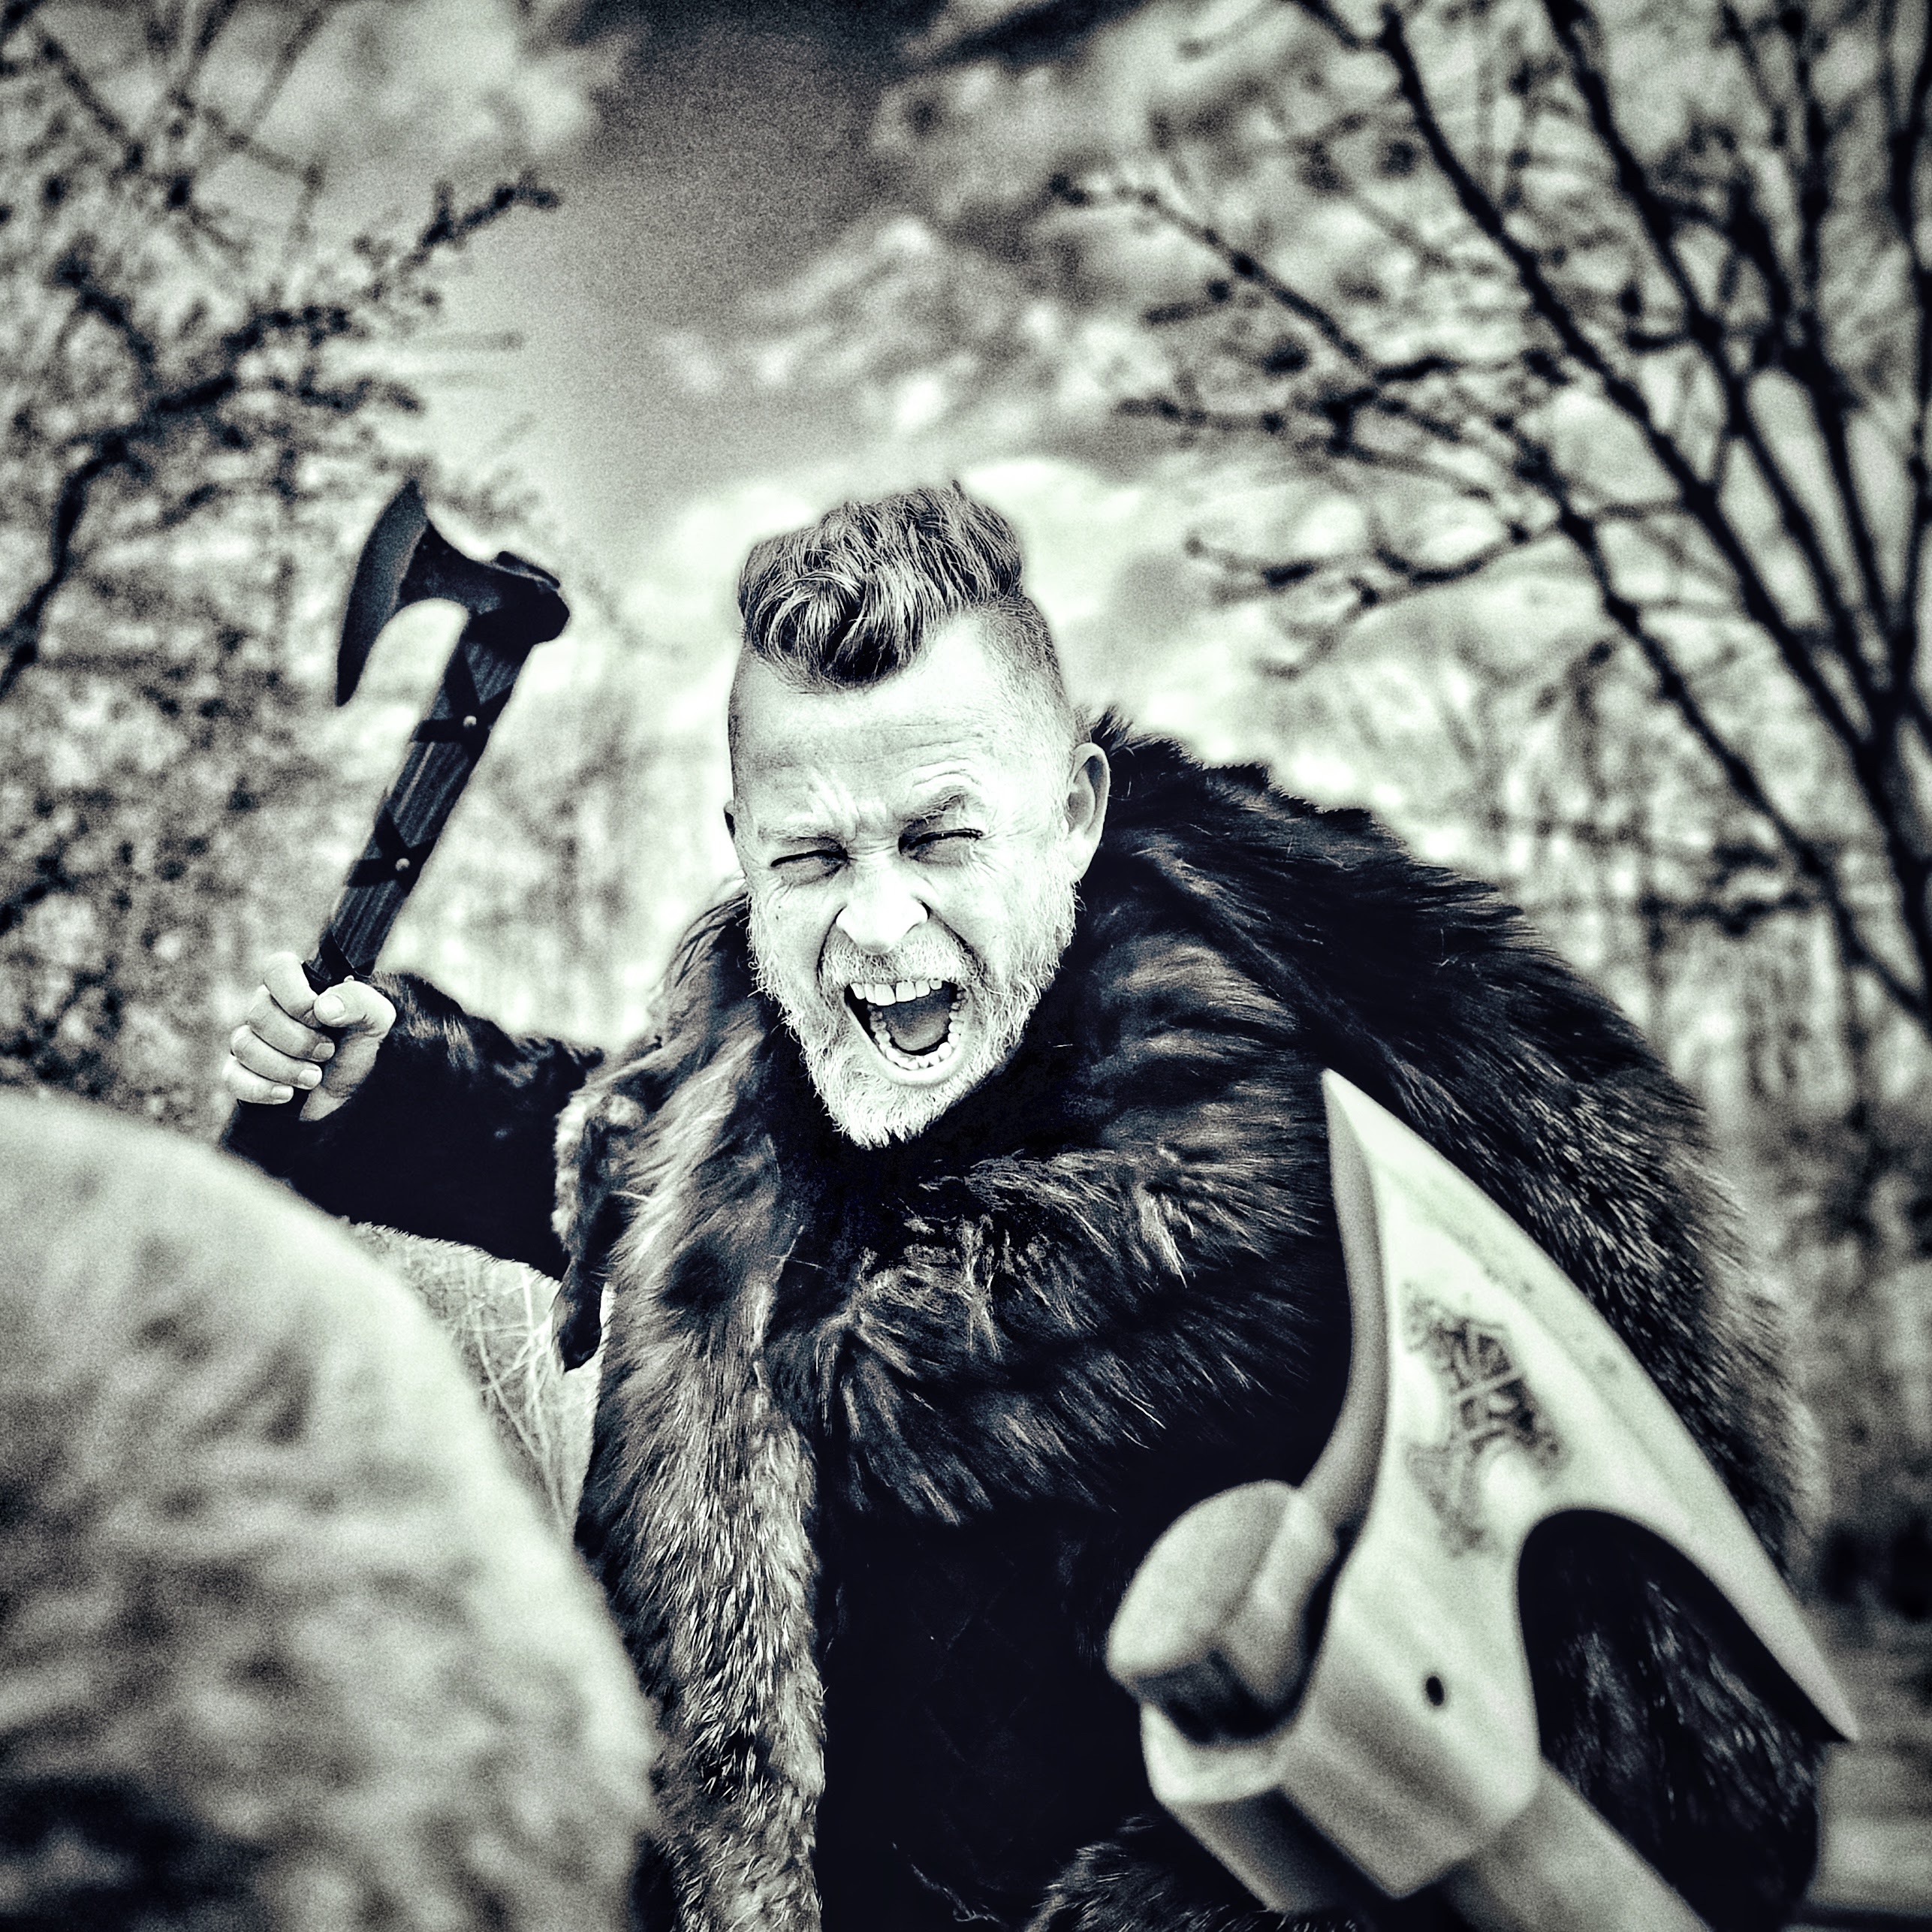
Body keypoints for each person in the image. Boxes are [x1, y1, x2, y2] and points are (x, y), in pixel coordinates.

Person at [225, 484, 1819, 1932]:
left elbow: (1626, 1703)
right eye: (811, 857)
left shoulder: (1335, 1142)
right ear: (742, 853)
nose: (877, 924)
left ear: (1074, 811)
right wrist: (398, 1090)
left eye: (939, 838)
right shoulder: (749, 1085)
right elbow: (659, 1192)